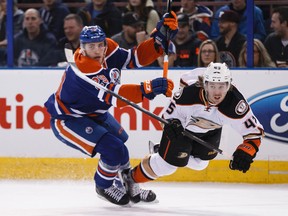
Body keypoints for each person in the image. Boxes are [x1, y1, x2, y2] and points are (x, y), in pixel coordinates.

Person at [44, 11, 178, 206]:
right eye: (91, 46)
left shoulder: (109, 49)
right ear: (82, 48)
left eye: (100, 45)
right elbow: (116, 96)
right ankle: (104, 185)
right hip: (69, 119)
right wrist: (148, 89)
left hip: (95, 113)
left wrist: (157, 42)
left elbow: (134, 58)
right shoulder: (83, 70)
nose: (97, 50)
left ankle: (129, 183)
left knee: (121, 142)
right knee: (113, 149)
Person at [120, 62, 264, 197]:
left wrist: (246, 151)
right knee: (168, 166)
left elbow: (254, 134)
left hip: (210, 130)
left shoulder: (235, 104)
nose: (217, 92)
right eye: (212, 86)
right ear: (205, 85)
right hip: (182, 129)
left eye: (221, 86)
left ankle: (161, 151)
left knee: (201, 164)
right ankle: (130, 178)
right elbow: (166, 117)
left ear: (229, 85)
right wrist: (171, 125)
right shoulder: (187, 96)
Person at [0, 0, 24, 66]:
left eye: (3, 1)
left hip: (15, 50)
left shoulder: (22, 17)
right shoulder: (4, 17)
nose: (2, 5)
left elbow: (15, 39)